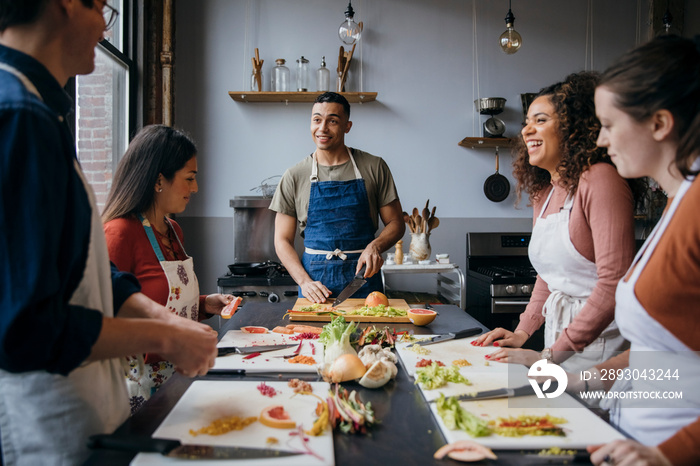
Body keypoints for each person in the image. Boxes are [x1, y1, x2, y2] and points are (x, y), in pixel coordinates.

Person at [0, 1, 218, 464]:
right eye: (102, 8)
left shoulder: (41, 112)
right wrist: (165, 339)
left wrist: (166, 320)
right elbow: (25, 330)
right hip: (47, 423)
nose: (104, 25)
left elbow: (89, 274)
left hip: (90, 409)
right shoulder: (19, 117)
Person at [572, 35, 700, 466]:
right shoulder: (678, 199)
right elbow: (657, 354)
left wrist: (670, 455)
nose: (602, 140)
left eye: (609, 124)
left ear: (659, 124)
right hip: (631, 441)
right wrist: (577, 381)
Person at [473, 71, 642, 372]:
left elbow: (613, 285)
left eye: (540, 120)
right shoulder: (545, 194)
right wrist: (523, 333)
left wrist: (548, 356)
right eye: (526, 123)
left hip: (600, 346)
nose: (527, 131)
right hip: (558, 341)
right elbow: (548, 276)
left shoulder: (600, 180)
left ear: (573, 127)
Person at [103, 125, 234, 413]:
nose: (195, 188)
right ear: (159, 180)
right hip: (140, 388)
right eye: (189, 178)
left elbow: (161, 302)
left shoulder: (173, 230)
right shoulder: (118, 233)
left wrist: (205, 304)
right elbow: (109, 318)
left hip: (180, 376)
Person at [270, 92, 405, 303]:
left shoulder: (374, 166)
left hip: (364, 280)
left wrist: (375, 246)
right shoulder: (294, 175)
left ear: (347, 126)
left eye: (332, 121)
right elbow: (282, 240)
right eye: (317, 120)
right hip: (315, 287)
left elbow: (396, 223)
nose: (322, 128)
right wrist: (304, 282)